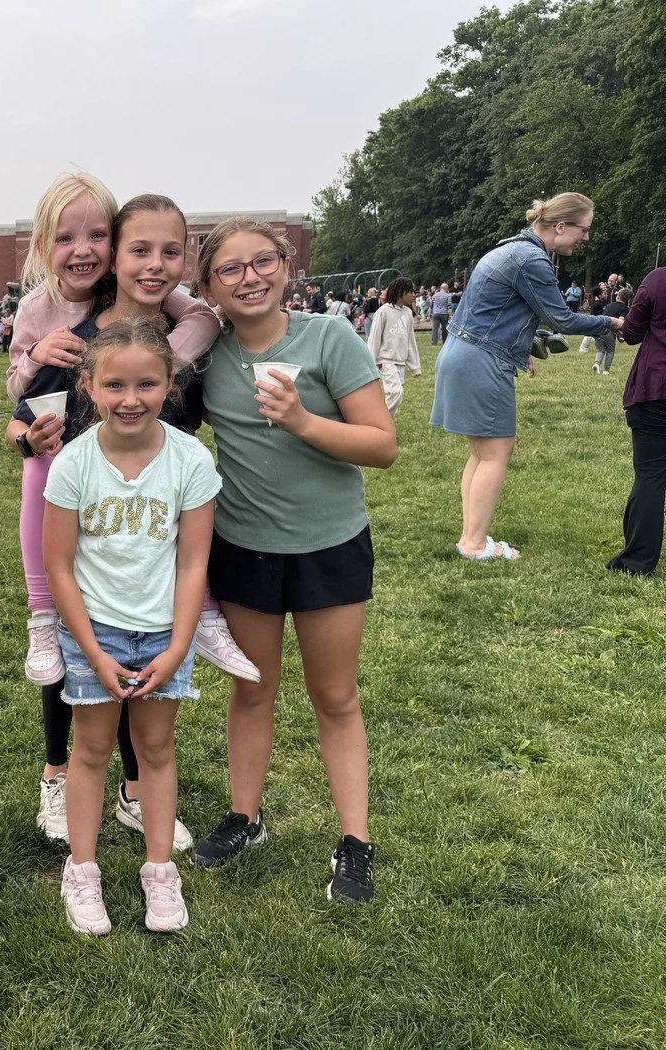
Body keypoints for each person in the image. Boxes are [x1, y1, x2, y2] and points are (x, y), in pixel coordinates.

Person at [3, 178, 253, 842]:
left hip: (151, 515)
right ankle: (58, 777)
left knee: (140, 633)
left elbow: (203, 324)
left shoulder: (183, 321)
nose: (148, 264)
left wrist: (162, 361)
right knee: (69, 645)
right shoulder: (65, 328)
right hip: (79, 513)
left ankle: (138, 788)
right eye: (133, 249)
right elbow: (22, 417)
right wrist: (27, 379)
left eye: (167, 253)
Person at [191, 217, 397, 903]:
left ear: (285, 267)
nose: (250, 277)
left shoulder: (329, 338)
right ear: (210, 286)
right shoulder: (210, 358)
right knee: (252, 690)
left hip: (330, 547)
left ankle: (355, 844)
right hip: (245, 549)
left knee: (334, 696)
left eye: (263, 262)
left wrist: (303, 420)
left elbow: (381, 444)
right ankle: (245, 817)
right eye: (231, 269)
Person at [42, 318, 219, 936]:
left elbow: (195, 560)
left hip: (163, 633)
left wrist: (178, 645)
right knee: (90, 750)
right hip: (96, 631)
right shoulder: (72, 463)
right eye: (114, 385)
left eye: (146, 384)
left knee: (156, 750)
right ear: (88, 386)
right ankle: (82, 869)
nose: (130, 399)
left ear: (170, 383)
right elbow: (58, 566)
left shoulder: (191, 459)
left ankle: (159, 869)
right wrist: (90, 649)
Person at [429, 193, 619, 560]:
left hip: (464, 353)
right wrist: (610, 322)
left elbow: (497, 311)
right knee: (497, 452)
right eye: (584, 229)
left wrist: (525, 342)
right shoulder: (531, 259)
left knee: (482, 453)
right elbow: (562, 318)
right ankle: (474, 544)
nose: (586, 237)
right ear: (561, 226)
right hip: (482, 358)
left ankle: (471, 537)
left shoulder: (510, 249)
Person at [608, 266, 666, 576]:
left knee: (650, 475)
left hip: (656, 387)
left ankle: (637, 561)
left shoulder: (658, 280)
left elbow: (631, 333)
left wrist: (622, 325)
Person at [366, 277, 420, 415]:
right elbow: (374, 338)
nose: (414, 295)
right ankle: (380, 423)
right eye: (411, 292)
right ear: (401, 292)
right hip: (386, 361)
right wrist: (371, 364)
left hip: (400, 362)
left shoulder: (408, 313)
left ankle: (384, 427)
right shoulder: (383, 312)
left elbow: (410, 340)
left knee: (396, 397)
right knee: (396, 392)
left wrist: (415, 367)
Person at [595, 289, 631, 375]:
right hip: (609, 331)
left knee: (601, 350)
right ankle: (606, 371)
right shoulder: (625, 309)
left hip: (599, 329)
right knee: (610, 351)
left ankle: (596, 364)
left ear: (617, 296)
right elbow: (620, 321)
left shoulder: (609, 305)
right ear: (627, 300)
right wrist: (620, 334)